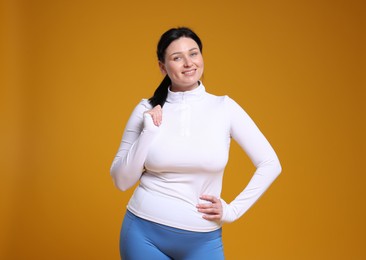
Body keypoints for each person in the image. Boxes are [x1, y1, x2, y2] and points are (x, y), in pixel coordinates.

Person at [110, 27, 282, 260]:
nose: (188, 63)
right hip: (143, 234)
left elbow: (270, 163)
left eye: (193, 54)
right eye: (177, 57)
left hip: (203, 240)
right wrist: (148, 133)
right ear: (163, 67)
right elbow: (122, 181)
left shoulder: (225, 108)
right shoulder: (146, 109)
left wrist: (232, 211)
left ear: (201, 57)